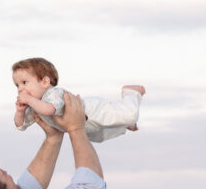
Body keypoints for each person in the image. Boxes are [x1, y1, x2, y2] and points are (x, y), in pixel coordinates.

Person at [12, 56, 145, 143]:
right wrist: (20, 111)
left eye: (24, 82)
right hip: (83, 126)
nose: (20, 88)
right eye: (17, 85)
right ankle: (124, 125)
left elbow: (49, 109)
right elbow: (20, 126)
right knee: (100, 136)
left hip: (91, 111)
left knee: (130, 115)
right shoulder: (34, 105)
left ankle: (131, 92)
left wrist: (29, 100)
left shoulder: (53, 93)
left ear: (45, 81)